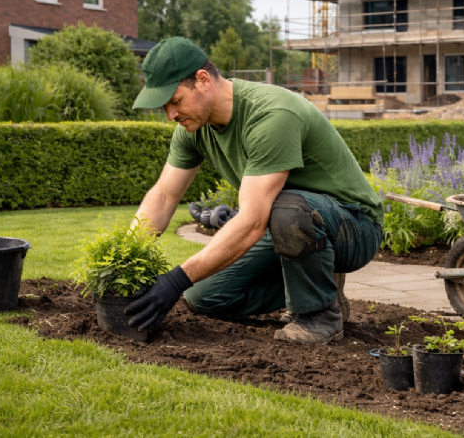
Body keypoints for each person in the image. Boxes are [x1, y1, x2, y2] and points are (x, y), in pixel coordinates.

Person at [124, 37, 384, 344]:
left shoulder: (271, 115)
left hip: (353, 225)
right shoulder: (193, 128)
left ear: (203, 80)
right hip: (293, 222)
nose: (170, 114)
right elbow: (164, 196)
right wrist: (125, 259)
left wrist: (174, 279)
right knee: (202, 296)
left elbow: (251, 221)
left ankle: (318, 315)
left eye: (175, 101)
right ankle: (321, 287)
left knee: (286, 209)